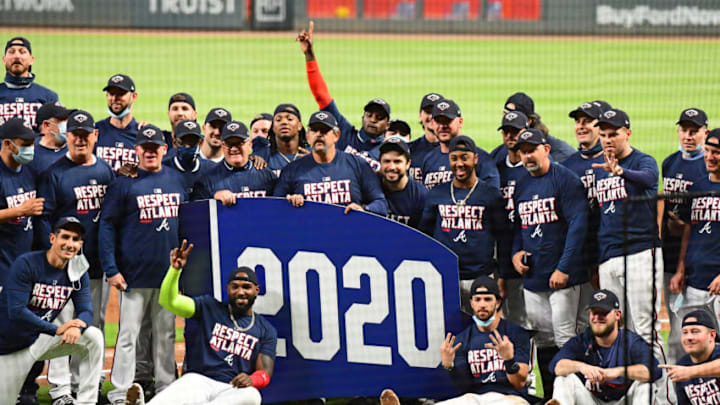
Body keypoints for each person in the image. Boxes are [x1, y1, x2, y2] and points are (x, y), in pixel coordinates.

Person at [124, 240, 277, 405]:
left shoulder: (265, 330)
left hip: (232, 388)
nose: (240, 292)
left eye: (246, 287)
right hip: (198, 381)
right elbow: (170, 302)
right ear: (228, 289)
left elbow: (264, 373)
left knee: (253, 396)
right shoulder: (209, 307)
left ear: (256, 290)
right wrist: (175, 271)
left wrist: (252, 380)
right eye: (235, 287)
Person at [99, 124, 187, 404]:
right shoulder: (123, 182)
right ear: (136, 150)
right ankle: (119, 391)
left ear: (164, 149)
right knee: (128, 335)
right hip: (133, 276)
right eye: (144, 149)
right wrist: (111, 269)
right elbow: (107, 226)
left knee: (166, 334)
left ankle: (165, 389)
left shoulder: (176, 180)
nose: (150, 153)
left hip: (167, 275)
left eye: (155, 148)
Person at [591, 108, 672, 403]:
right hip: (609, 257)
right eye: (604, 135)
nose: (608, 140)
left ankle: (663, 396)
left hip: (640, 253)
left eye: (614, 134)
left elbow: (649, 178)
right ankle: (632, 394)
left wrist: (621, 171)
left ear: (628, 133)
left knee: (644, 327)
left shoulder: (642, 161)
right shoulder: (600, 169)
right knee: (617, 331)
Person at [36, 110, 115, 403]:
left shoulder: (106, 171)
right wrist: (54, 255)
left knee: (92, 324)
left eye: (86, 135)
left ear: (95, 136)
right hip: (63, 264)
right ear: (67, 136)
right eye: (75, 135)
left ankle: (86, 385)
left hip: (94, 263)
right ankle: (59, 389)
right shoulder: (54, 173)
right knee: (62, 322)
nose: (80, 140)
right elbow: (44, 219)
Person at [511, 128, 590, 399]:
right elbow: (518, 227)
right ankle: (550, 399)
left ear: (546, 149)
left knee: (566, 338)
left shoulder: (565, 180)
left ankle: (575, 397)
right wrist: (515, 253)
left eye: (532, 149)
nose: (527, 156)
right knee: (542, 340)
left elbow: (578, 226)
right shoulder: (521, 184)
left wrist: (564, 267)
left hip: (562, 278)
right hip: (533, 278)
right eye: (523, 151)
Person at [0, 217, 104, 405]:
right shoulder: (27, 264)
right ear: (52, 238)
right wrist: (56, 329)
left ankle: (87, 402)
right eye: (65, 237)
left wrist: (77, 327)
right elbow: (16, 311)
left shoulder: (78, 271)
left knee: (93, 337)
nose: (69, 244)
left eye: (75, 239)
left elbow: (86, 310)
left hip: (41, 339)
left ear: (80, 244)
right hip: (9, 346)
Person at [381, 276, 531, 405]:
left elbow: (519, 383)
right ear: (471, 303)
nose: (482, 304)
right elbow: (463, 387)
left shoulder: (515, 333)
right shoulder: (462, 339)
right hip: (476, 399)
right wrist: (449, 366)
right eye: (478, 299)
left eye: (487, 299)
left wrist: (509, 360)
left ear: (498, 303)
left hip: (510, 398)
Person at [419, 136, 506, 310]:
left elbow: (503, 238)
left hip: (481, 276)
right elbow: (424, 235)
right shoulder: (437, 193)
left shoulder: (491, 195)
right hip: (445, 274)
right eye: (454, 158)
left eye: (464, 158)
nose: (459, 164)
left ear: (475, 159)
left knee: (483, 330)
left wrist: (503, 277)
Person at [298, 22, 388, 171]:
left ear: (387, 125)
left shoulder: (389, 151)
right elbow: (321, 96)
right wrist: (309, 55)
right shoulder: (345, 133)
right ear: (362, 118)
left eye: (379, 118)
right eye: (369, 115)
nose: (373, 120)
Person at [547, 289, 660, 405]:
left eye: (603, 313)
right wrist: (582, 367)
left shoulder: (631, 341)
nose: (597, 317)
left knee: (646, 386)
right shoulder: (581, 341)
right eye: (594, 312)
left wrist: (617, 372)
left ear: (617, 315)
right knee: (563, 379)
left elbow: (654, 370)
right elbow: (555, 366)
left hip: (624, 401)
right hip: (591, 401)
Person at [661, 108, 709, 364]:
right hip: (671, 255)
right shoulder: (669, 163)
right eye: (684, 130)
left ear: (705, 133)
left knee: (703, 327)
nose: (688, 136)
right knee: (678, 323)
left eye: (694, 131)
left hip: (700, 256)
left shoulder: (709, 168)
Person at [274, 110, 387, 216]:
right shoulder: (292, 169)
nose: (319, 134)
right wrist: (290, 202)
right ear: (308, 136)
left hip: (349, 233)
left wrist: (363, 210)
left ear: (336, 136)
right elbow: (275, 208)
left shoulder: (358, 164)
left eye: (324, 131)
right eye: (314, 130)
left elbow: (381, 204)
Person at [672, 129, 720, 328]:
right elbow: (689, 231)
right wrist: (680, 269)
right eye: (707, 151)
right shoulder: (697, 187)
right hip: (694, 281)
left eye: (716, 152)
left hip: (718, 282)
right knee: (697, 342)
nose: (709, 157)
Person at [560, 101, 608, 287]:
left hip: (608, 250)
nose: (581, 126)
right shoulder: (567, 167)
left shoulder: (615, 163)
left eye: (587, 121)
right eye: (578, 121)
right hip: (580, 254)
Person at [494, 111, 530, 329]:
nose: (510, 136)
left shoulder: (532, 168)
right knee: (508, 315)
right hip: (501, 248)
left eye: (515, 132)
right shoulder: (495, 168)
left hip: (527, 245)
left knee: (529, 317)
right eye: (506, 131)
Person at [421, 99, 499, 190]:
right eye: (438, 121)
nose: (442, 126)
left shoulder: (481, 158)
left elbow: (492, 196)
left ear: (460, 122)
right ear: (433, 123)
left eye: (447, 121)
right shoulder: (429, 159)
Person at [192, 120, 277, 205]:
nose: (234, 149)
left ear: (249, 144)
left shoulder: (267, 176)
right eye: (229, 144)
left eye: (239, 143)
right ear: (222, 146)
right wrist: (212, 198)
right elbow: (196, 213)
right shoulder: (207, 181)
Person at [0, 117, 42, 286]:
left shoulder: (30, 169)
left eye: (32, 142)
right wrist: (20, 211)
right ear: (8, 144)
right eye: (25, 143)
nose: (30, 148)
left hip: (24, 265)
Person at [663, 310, 720, 405]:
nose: (689, 337)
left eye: (695, 332)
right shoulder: (682, 365)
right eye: (685, 332)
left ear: (712, 335)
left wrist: (690, 372)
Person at [0, 37, 58, 128]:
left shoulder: (48, 96)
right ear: (4, 60)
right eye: (11, 52)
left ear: (31, 60)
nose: (17, 56)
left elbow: (56, 135)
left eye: (22, 52)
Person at [502, 92, 574, 163]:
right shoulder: (505, 150)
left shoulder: (563, 156)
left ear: (529, 121)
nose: (508, 120)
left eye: (515, 118)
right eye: (505, 114)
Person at [95, 74, 141, 172]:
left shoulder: (142, 134)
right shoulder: (95, 131)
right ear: (107, 96)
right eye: (111, 94)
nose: (115, 98)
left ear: (134, 97)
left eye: (121, 93)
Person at [378, 136, 426, 228]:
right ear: (380, 162)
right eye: (387, 161)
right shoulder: (370, 186)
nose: (392, 167)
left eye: (397, 161)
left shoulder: (420, 195)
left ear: (408, 164)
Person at [252, 104, 310, 176]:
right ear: (273, 127)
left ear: (299, 126)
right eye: (278, 120)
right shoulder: (261, 157)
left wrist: (315, 164)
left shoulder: (312, 155)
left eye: (290, 119)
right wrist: (248, 161)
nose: (284, 122)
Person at [166, 119, 216, 197]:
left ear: (201, 142)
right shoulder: (164, 168)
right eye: (183, 142)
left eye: (192, 142)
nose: (187, 146)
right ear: (174, 142)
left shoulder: (212, 169)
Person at [28, 101, 70, 174]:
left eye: (67, 119)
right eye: (61, 120)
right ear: (46, 125)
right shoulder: (30, 153)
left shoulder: (75, 149)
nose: (66, 124)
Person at [408, 93, 442, 182]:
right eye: (428, 112)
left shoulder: (455, 151)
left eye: (435, 112)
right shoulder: (408, 150)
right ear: (420, 115)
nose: (431, 116)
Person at [163, 92, 197, 159]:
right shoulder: (160, 139)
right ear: (168, 114)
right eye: (175, 109)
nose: (180, 113)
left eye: (185, 108)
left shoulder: (202, 143)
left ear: (194, 115)